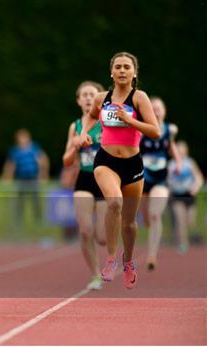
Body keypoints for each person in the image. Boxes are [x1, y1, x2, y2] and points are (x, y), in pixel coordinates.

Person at [79, 52, 161, 289]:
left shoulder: (139, 98)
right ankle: (111, 259)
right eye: (118, 67)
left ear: (134, 73)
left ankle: (128, 260)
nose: (123, 70)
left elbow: (154, 131)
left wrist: (129, 119)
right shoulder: (101, 98)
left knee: (129, 223)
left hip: (133, 164)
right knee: (114, 202)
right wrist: (85, 132)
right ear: (111, 72)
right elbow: (92, 116)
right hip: (106, 160)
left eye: (127, 67)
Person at [62, 81, 107, 290]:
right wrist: (77, 144)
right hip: (84, 180)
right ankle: (95, 275)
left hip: (105, 181)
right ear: (79, 100)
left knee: (102, 237)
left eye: (93, 94)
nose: (89, 98)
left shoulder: (107, 122)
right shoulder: (75, 126)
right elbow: (66, 160)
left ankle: (112, 254)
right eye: (85, 95)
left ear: (100, 99)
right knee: (85, 231)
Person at [140, 97, 181, 271]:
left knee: (155, 214)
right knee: (146, 217)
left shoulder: (169, 130)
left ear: (164, 111)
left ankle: (151, 255)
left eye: (159, 108)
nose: (156, 111)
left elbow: (171, 147)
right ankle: (149, 226)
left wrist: (178, 162)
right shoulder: (142, 130)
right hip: (142, 178)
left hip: (160, 179)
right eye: (153, 108)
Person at [2, 128, 49, 229]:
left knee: (35, 201)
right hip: (21, 179)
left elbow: (43, 161)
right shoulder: (15, 151)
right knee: (20, 202)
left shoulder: (34, 148)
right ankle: (19, 223)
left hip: (33, 178)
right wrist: (7, 178)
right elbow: (10, 165)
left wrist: (43, 175)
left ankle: (38, 222)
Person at [168, 140, 204, 252]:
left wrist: (195, 187)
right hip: (176, 195)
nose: (179, 151)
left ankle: (187, 237)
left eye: (181, 149)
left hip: (189, 195)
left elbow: (199, 177)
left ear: (186, 151)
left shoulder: (190, 163)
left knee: (189, 221)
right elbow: (166, 180)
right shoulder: (171, 164)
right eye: (177, 149)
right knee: (180, 220)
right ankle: (182, 244)